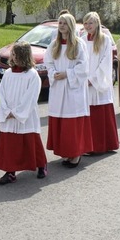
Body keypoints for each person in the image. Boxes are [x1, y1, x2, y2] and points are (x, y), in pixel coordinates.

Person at [0, 41, 47, 185]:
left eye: (15, 54)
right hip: (9, 113)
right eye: (12, 54)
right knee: (10, 143)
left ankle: (41, 165)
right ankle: (10, 172)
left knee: (30, 141)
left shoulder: (32, 75)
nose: (13, 56)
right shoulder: (8, 74)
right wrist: (6, 110)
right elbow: (2, 92)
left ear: (23, 56)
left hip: (25, 114)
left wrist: (18, 112)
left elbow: (31, 97)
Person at [44, 13, 92, 168]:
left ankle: (76, 153)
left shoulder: (78, 44)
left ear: (70, 25)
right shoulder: (54, 44)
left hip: (73, 88)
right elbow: (48, 62)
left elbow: (84, 66)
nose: (61, 25)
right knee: (61, 122)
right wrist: (53, 73)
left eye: (64, 23)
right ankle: (66, 152)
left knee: (72, 123)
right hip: (58, 87)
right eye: (60, 23)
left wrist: (67, 74)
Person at [81, 12, 119, 153]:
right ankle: (89, 146)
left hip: (98, 81)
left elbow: (105, 62)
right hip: (85, 81)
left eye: (90, 23)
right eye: (85, 23)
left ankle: (103, 145)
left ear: (97, 23)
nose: (88, 26)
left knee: (99, 114)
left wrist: (94, 78)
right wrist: (84, 77)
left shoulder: (105, 40)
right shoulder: (82, 39)